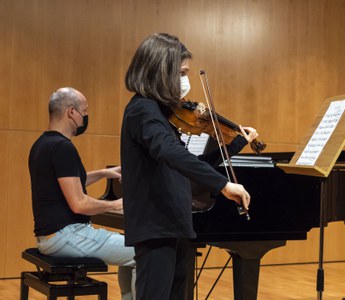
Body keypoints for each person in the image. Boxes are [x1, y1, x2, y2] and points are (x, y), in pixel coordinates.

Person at [121, 33, 257, 300]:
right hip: (156, 227)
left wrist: (234, 144)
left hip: (173, 223)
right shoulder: (143, 110)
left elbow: (188, 166)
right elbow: (168, 151)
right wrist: (223, 184)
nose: (186, 81)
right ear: (161, 71)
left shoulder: (161, 113)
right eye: (182, 72)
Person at [28, 87, 136, 300]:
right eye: (84, 111)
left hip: (50, 237)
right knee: (144, 252)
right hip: (67, 235)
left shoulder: (42, 143)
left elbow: (70, 182)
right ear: (71, 112)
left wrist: (105, 173)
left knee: (133, 246)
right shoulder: (62, 147)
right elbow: (79, 204)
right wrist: (118, 204)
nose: (86, 116)